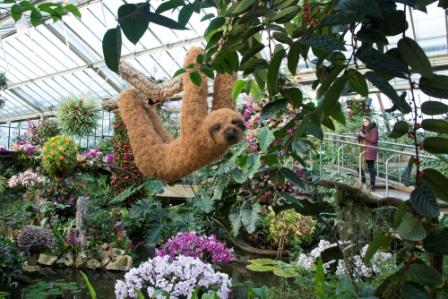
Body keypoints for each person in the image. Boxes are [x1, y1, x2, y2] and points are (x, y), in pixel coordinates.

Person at [357, 117, 379, 191]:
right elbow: (361, 139)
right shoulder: (366, 130)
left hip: (370, 151)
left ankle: (372, 186)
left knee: (371, 168)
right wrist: (359, 135)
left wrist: (364, 136)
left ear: (369, 121)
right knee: (360, 167)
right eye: (363, 122)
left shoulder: (374, 129)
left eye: (366, 121)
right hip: (364, 151)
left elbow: (373, 140)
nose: (364, 123)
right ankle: (365, 182)